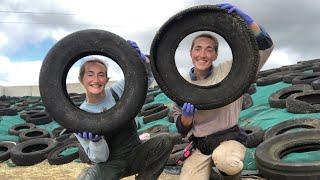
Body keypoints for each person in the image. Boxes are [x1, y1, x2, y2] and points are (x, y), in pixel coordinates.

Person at [172, 3, 274, 180]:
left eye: (209, 49)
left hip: (229, 139)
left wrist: (248, 21)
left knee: (226, 162)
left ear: (216, 55)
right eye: (198, 49)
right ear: (190, 53)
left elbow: (265, 47)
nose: (202, 54)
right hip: (201, 146)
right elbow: (181, 128)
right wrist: (186, 118)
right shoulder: (180, 86)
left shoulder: (232, 71)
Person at [75, 40, 174, 180]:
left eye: (101, 74)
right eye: (90, 74)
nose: (96, 79)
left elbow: (146, 78)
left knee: (166, 140)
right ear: (81, 79)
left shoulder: (118, 91)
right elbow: (99, 158)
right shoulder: (77, 116)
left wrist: (142, 60)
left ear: (107, 78)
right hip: (110, 164)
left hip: (135, 153)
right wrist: (96, 141)